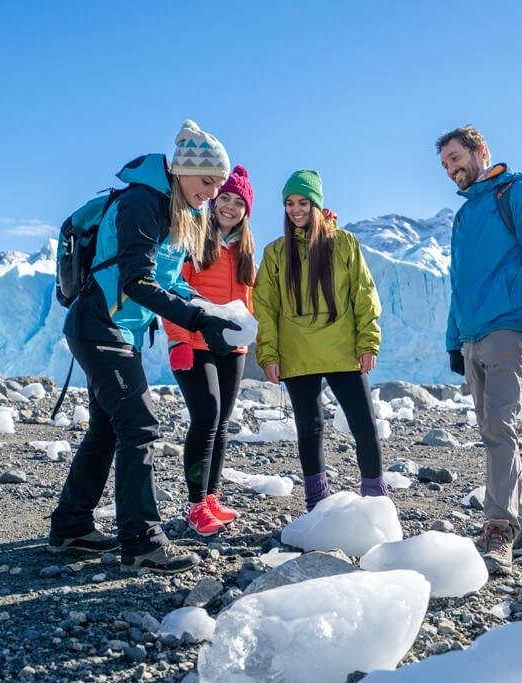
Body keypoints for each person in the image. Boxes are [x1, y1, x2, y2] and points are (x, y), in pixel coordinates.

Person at [48, 120, 239, 575]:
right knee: (139, 426)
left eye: (219, 185)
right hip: (100, 327)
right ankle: (143, 542)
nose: (212, 193)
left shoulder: (180, 211)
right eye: (207, 181)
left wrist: (211, 311)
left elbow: (169, 281)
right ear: (181, 171)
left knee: (108, 429)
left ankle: (71, 527)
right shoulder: (142, 202)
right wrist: (194, 319)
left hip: (120, 331)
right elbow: (136, 281)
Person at [436, 125, 522, 574]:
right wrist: (455, 340)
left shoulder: (517, 196)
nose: (453, 169)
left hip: (509, 331)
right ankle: (520, 530)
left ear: (480, 151)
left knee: (499, 428)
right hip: (472, 338)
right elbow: (460, 285)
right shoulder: (464, 216)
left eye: (456, 157)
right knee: (494, 431)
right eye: (446, 164)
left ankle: (499, 527)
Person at [252, 169, 387, 511]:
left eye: (303, 202)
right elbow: (265, 307)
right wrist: (268, 354)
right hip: (297, 355)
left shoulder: (343, 243)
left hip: (344, 351)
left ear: (317, 204)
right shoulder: (275, 253)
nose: (295, 209)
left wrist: (368, 342)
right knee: (309, 430)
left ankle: (375, 501)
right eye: (289, 203)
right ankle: (317, 504)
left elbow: (363, 294)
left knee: (364, 427)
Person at [161, 165, 257, 537]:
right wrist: (178, 340)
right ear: (214, 199)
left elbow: (248, 301)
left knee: (221, 424)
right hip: (195, 341)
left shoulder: (244, 251)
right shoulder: (192, 237)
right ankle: (196, 504)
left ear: (246, 211)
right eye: (225, 198)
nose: (230, 207)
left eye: (239, 202)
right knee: (206, 417)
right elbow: (170, 290)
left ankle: (212, 496)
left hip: (231, 347)